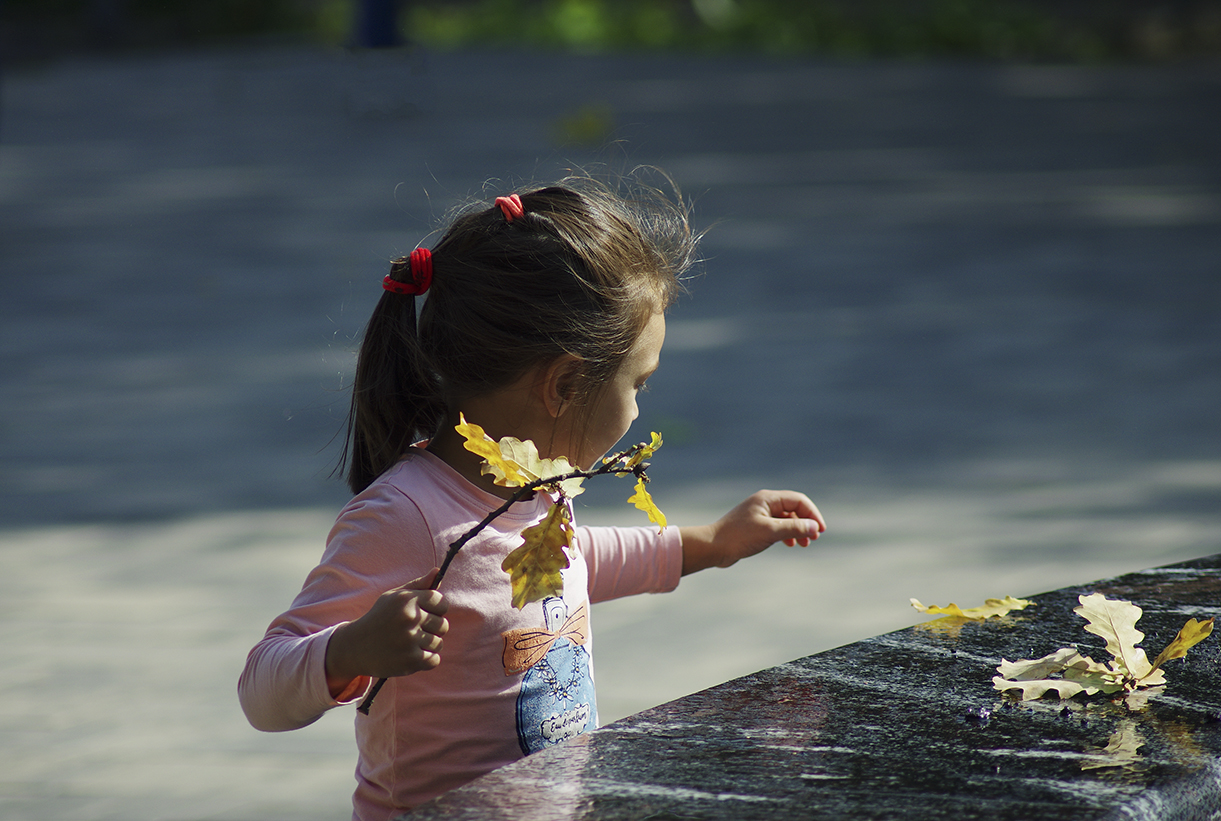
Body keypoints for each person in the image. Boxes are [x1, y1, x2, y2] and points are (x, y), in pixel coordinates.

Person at [238, 174, 826, 820]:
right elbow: (260, 689)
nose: (638, 408)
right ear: (564, 385)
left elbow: (566, 565)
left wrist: (710, 544)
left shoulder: (537, 488)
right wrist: (349, 650)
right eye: (638, 384)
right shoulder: (405, 517)